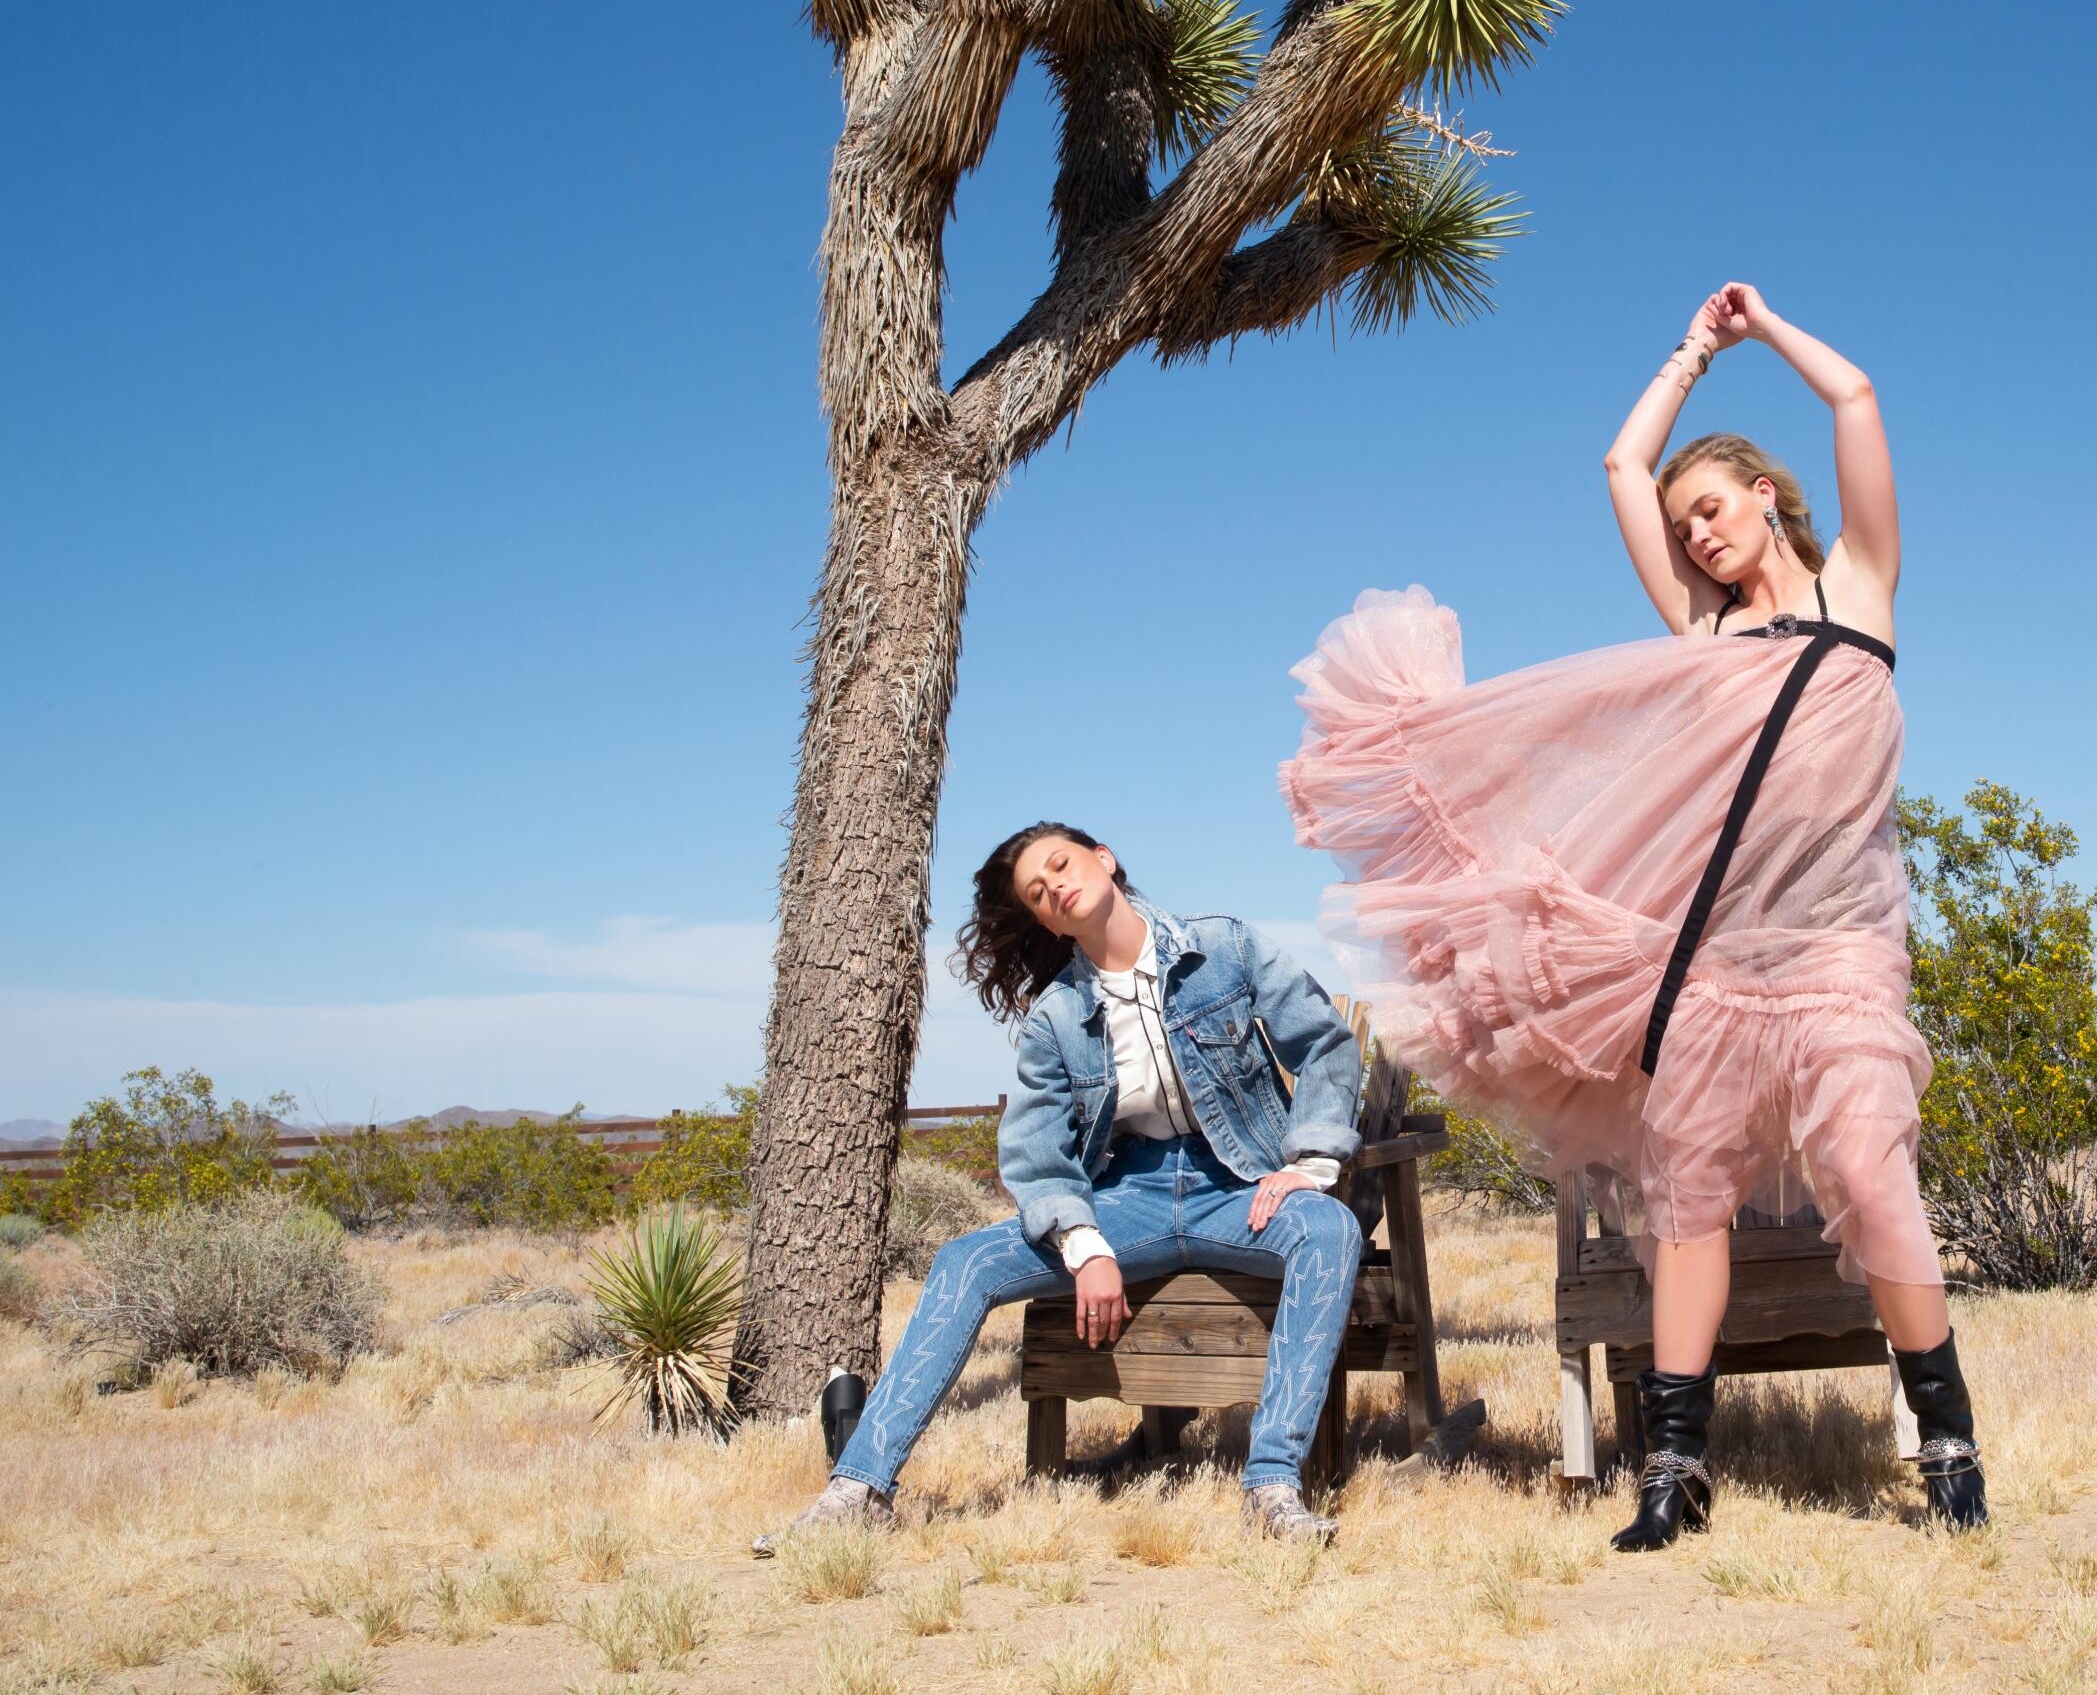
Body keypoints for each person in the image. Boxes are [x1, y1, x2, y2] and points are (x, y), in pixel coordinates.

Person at [1281, 281, 1986, 1549]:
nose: (1697, 536)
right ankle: (1673, 1472)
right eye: (1681, 527)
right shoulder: (1702, 631)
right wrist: (1686, 353)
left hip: (1839, 957)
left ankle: (1949, 1452)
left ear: (1764, 495)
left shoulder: (1862, 593)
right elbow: (1619, 462)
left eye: (1709, 510)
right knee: (1686, 1208)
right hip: (1711, 969)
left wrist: (1761, 329)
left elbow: (1857, 397)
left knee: (1874, 1179)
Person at [752, 822, 1367, 1551]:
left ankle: (1271, 1488)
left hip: (1237, 1186)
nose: (1056, 888)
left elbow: (1324, 1043)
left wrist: (1308, 1162)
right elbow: (1036, 1149)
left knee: (1330, 1229)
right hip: (1129, 1199)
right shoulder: (1057, 1016)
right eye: (1038, 893)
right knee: (965, 1261)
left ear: (1103, 859)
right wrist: (1085, 1244)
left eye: (1061, 865)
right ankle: (857, 1491)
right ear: (1046, 921)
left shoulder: (1223, 947)